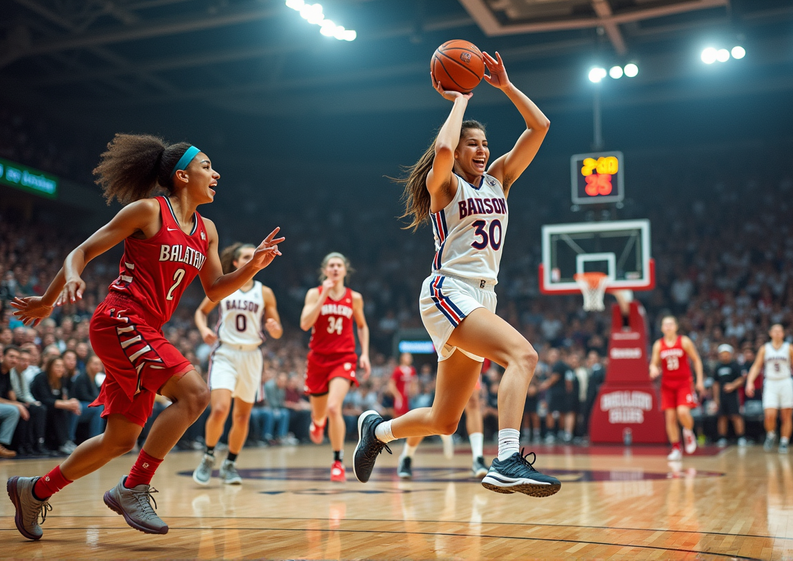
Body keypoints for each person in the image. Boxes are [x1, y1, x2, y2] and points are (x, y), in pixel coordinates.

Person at [6, 134, 284, 540]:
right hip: (119, 319)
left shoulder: (207, 230)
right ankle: (133, 487)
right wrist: (53, 296)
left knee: (120, 439)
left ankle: (34, 492)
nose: (216, 173)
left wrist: (253, 267)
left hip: (145, 329)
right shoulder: (149, 211)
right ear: (183, 175)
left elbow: (215, 289)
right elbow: (80, 252)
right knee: (195, 395)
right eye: (207, 166)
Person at [354, 52, 561, 497]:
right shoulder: (444, 184)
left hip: (484, 296)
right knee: (522, 356)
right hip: (450, 290)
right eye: (474, 144)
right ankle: (506, 457)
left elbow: (540, 126)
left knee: (446, 420)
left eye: (485, 143)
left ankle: (376, 432)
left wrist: (504, 85)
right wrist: (461, 99)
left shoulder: (499, 179)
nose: (482, 150)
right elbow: (444, 149)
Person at [193, 242, 283, 486]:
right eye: (245, 256)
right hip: (226, 352)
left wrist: (274, 328)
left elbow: (277, 331)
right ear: (234, 262)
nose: (250, 258)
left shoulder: (264, 292)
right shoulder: (225, 285)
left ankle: (230, 463)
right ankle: (209, 456)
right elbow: (201, 312)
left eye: (252, 255)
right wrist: (203, 330)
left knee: (242, 417)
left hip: (252, 356)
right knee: (220, 409)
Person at [299, 252, 371, 482]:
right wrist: (324, 296)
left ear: (345, 270)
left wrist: (365, 354)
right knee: (320, 412)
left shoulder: (354, 298)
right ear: (325, 270)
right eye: (331, 265)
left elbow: (362, 326)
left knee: (333, 408)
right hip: (318, 359)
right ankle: (317, 422)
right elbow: (304, 323)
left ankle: (338, 462)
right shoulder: (314, 294)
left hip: (344, 358)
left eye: (339, 265)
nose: (335, 268)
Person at [744, 324, 793, 453]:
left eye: (780, 331)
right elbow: (756, 366)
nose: (778, 333)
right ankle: (771, 435)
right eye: (775, 331)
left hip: (786, 382)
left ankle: (784, 441)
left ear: (783, 334)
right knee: (769, 415)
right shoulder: (764, 349)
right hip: (770, 383)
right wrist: (749, 382)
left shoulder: (789, 348)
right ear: (770, 333)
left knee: (786, 416)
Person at [650, 316, 704, 460]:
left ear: (676, 326)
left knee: (682, 412)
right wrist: (653, 369)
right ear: (662, 328)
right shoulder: (658, 344)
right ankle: (675, 448)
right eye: (665, 324)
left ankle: (688, 432)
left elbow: (696, 360)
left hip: (684, 383)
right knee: (670, 418)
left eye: (670, 324)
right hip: (667, 385)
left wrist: (699, 380)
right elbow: (654, 363)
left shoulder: (684, 341)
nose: (668, 326)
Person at [30, 356, 80, 455]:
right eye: (57, 366)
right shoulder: (41, 377)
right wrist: (66, 404)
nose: (60, 369)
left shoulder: (61, 379)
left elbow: (61, 397)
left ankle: (67, 441)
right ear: (50, 367)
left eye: (62, 366)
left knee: (67, 409)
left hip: (51, 407)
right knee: (60, 409)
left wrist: (71, 404)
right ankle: (63, 443)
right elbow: (44, 399)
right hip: (39, 406)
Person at [712, 344, 746, 447]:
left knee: (736, 416)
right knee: (722, 417)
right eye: (722, 354)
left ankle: (741, 437)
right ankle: (722, 438)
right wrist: (716, 398)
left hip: (733, 395)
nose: (724, 356)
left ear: (730, 354)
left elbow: (741, 379)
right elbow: (716, 383)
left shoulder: (735, 365)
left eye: (726, 354)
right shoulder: (718, 366)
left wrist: (732, 385)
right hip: (722, 396)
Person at [70, 355, 105, 443]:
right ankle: (95, 439)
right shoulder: (82, 377)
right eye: (95, 364)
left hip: (87, 405)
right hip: (78, 405)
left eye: (99, 364)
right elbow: (83, 396)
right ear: (88, 364)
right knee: (99, 408)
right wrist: (100, 401)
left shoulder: (95, 378)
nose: (97, 366)